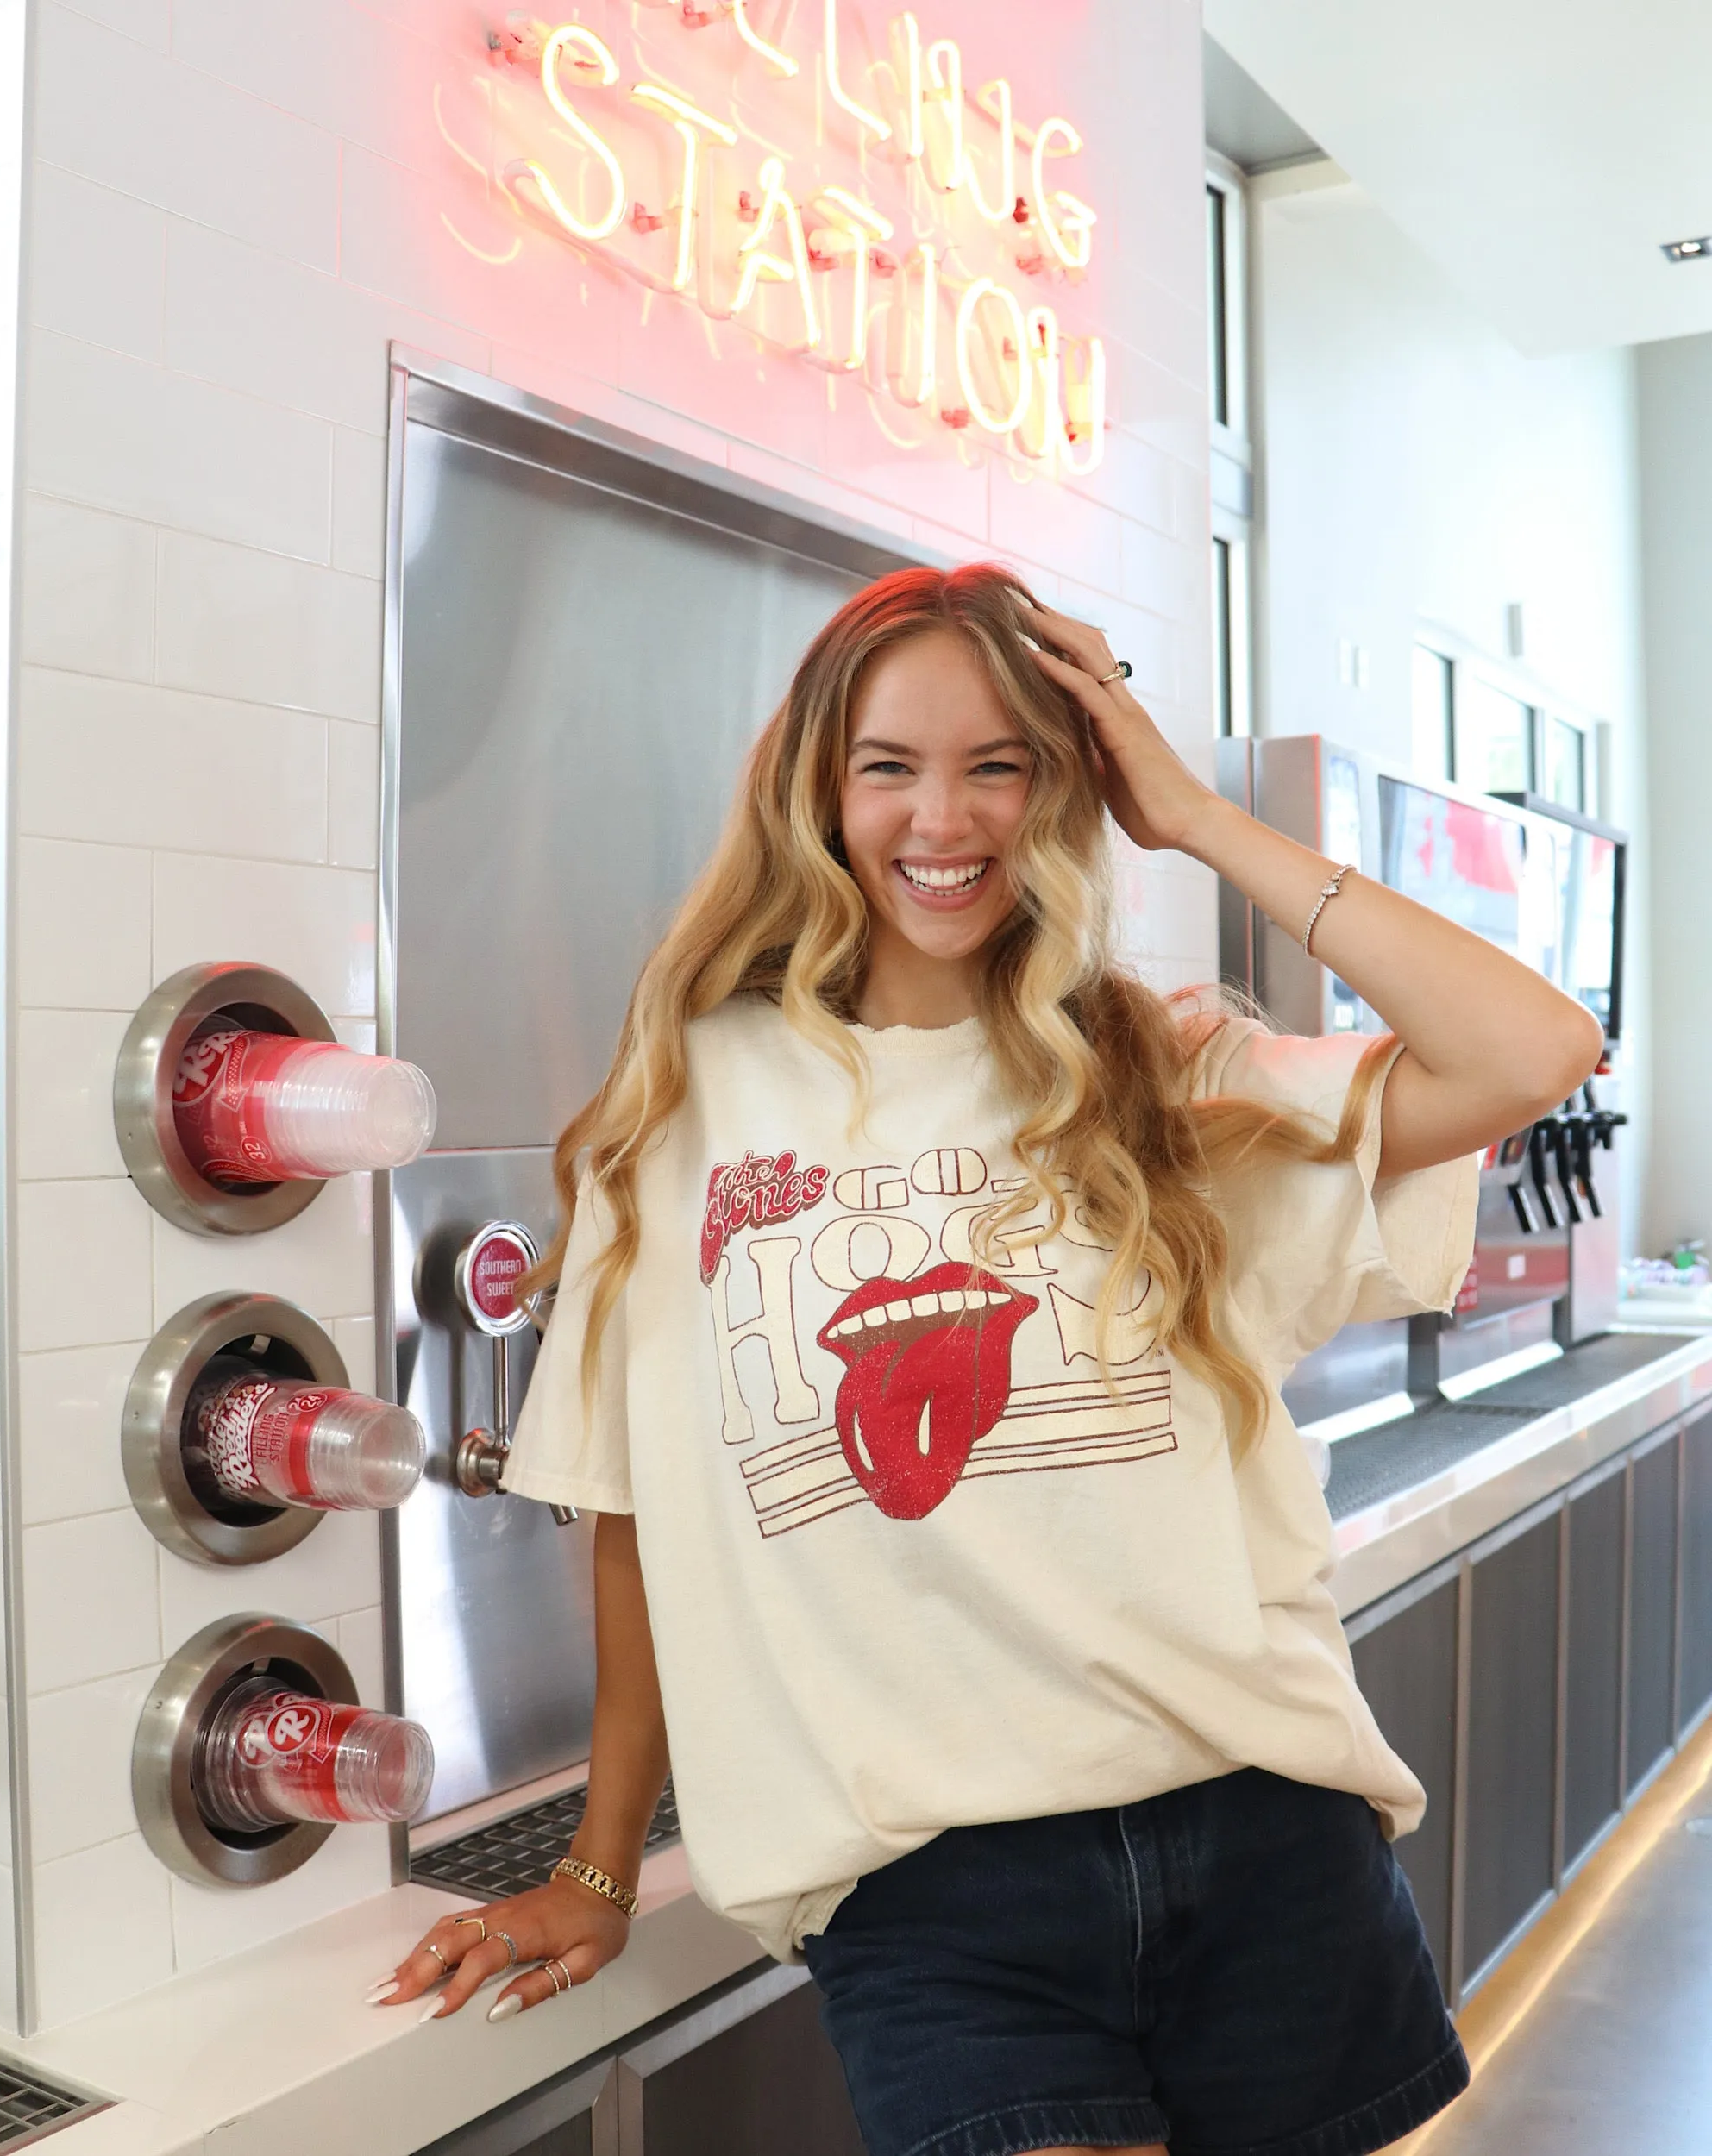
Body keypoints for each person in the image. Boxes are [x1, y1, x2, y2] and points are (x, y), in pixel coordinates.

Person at [375, 566, 1602, 2156]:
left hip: (1260, 1832)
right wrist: (598, 1872)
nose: (940, 818)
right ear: (820, 787)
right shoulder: (685, 1099)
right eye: (890, 764)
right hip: (937, 1897)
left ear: (1064, 786)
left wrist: (1195, 817)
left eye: (997, 765)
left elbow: (1535, 1051)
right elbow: (637, 1508)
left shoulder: (1168, 1074)